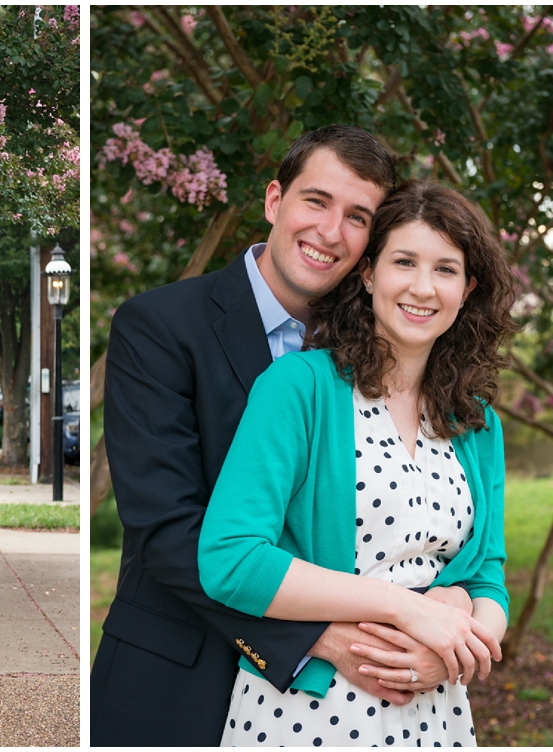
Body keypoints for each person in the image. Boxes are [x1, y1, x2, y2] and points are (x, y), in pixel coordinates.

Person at [91, 125, 424, 746]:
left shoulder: (373, 356)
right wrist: (315, 637)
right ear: (275, 201)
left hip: (335, 708)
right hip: (175, 677)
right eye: (316, 201)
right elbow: (165, 530)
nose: (330, 232)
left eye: (358, 217)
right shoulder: (159, 326)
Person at [198, 180, 515, 745]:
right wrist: (405, 611)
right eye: (404, 262)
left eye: (445, 269)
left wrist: (459, 647)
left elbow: (489, 574)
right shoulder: (299, 388)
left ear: (467, 289)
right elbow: (233, 560)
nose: (423, 287)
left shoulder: (477, 421)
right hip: (307, 712)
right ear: (368, 273)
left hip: (437, 717)